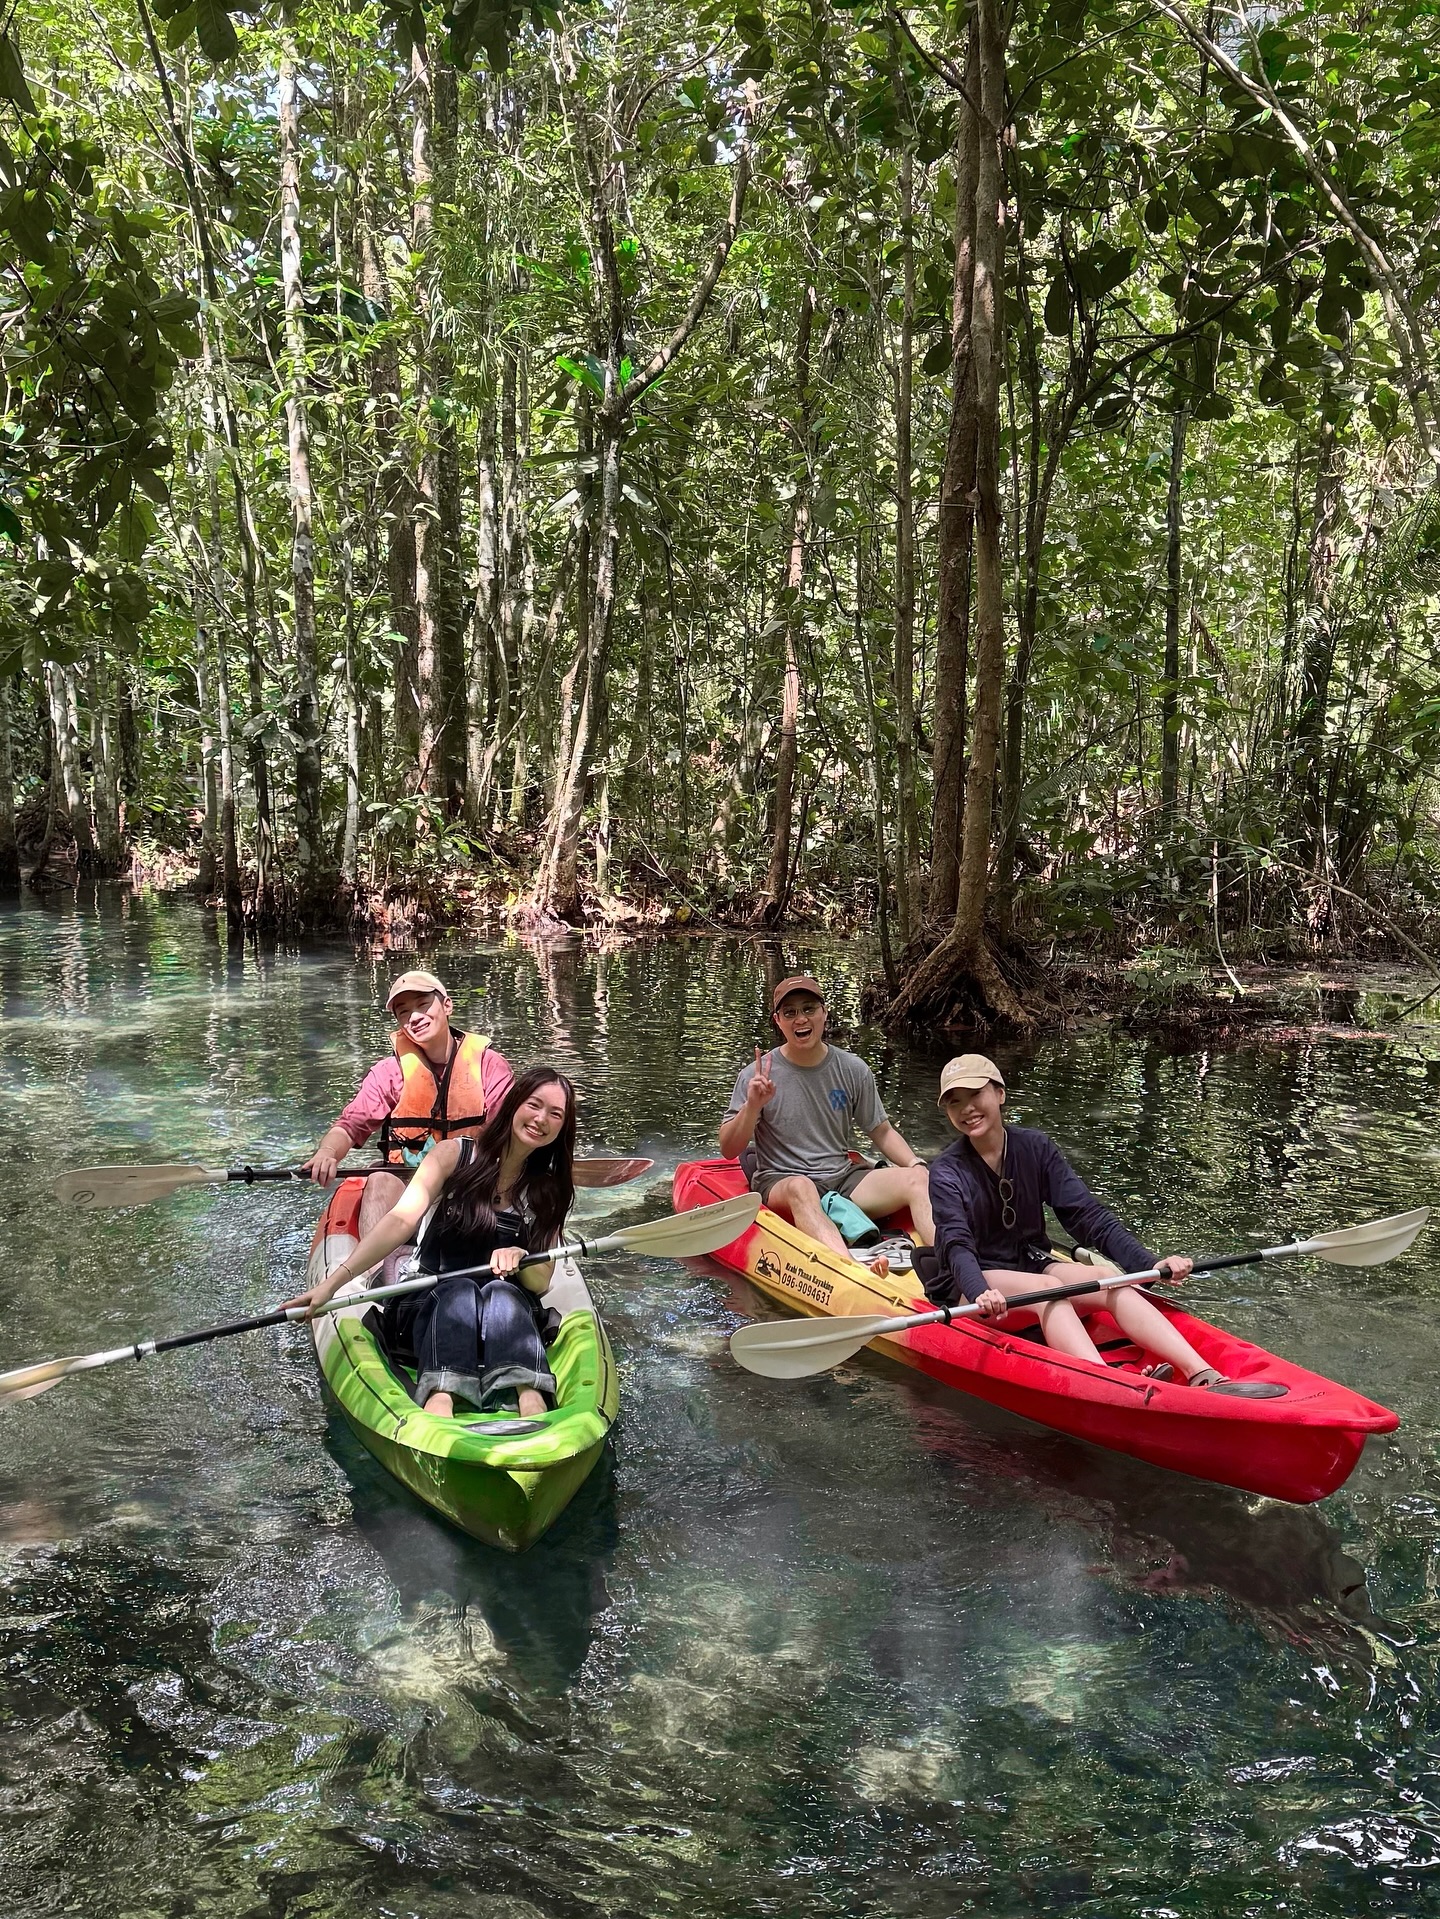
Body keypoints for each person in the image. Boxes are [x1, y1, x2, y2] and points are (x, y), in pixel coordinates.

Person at [925, 1053, 1236, 1389]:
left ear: (1000, 1093)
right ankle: (1106, 1382)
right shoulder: (946, 1171)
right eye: (955, 1102)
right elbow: (956, 1244)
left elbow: (1086, 1215)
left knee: (1109, 1279)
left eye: (975, 1095)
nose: (967, 1109)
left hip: (1030, 1264)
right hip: (974, 1287)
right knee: (1047, 1291)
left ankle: (1203, 1374)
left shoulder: (1036, 1147)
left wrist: (1148, 1265)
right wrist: (978, 1290)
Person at [285, 1065, 576, 1419]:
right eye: (534, 1104)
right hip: (427, 1303)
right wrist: (332, 1285)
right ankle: (441, 1399)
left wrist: (522, 1255)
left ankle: (530, 1399)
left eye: (555, 1113)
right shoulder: (455, 1155)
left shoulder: (548, 1190)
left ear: (562, 1127)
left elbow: (540, 1281)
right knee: (460, 1291)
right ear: (515, 1104)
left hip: (502, 1320)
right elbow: (399, 1220)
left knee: (504, 1292)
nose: (541, 1118)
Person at [718, 973, 932, 1263]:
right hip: (782, 1181)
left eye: (809, 1009)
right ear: (778, 1021)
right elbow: (729, 1149)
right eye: (790, 1012)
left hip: (842, 1177)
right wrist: (753, 1106)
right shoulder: (756, 1075)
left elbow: (880, 1130)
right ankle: (849, 1272)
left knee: (918, 1178)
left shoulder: (852, 1069)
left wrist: (916, 1164)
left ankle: (951, 1267)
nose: (801, 1019)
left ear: (824, 1014)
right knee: (801, 1187)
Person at [303, 970, 514, 1238]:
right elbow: (350, 1125)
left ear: (447, 1005)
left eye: (423, 1005)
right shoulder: (389, 1072)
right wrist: (327, 1152)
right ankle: (374, 1273)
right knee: (379, 1179)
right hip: (406, 1184)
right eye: (404, 1013)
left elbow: (509, 1134)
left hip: (469, 1183)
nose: (414, 1017)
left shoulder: (489, 1066)